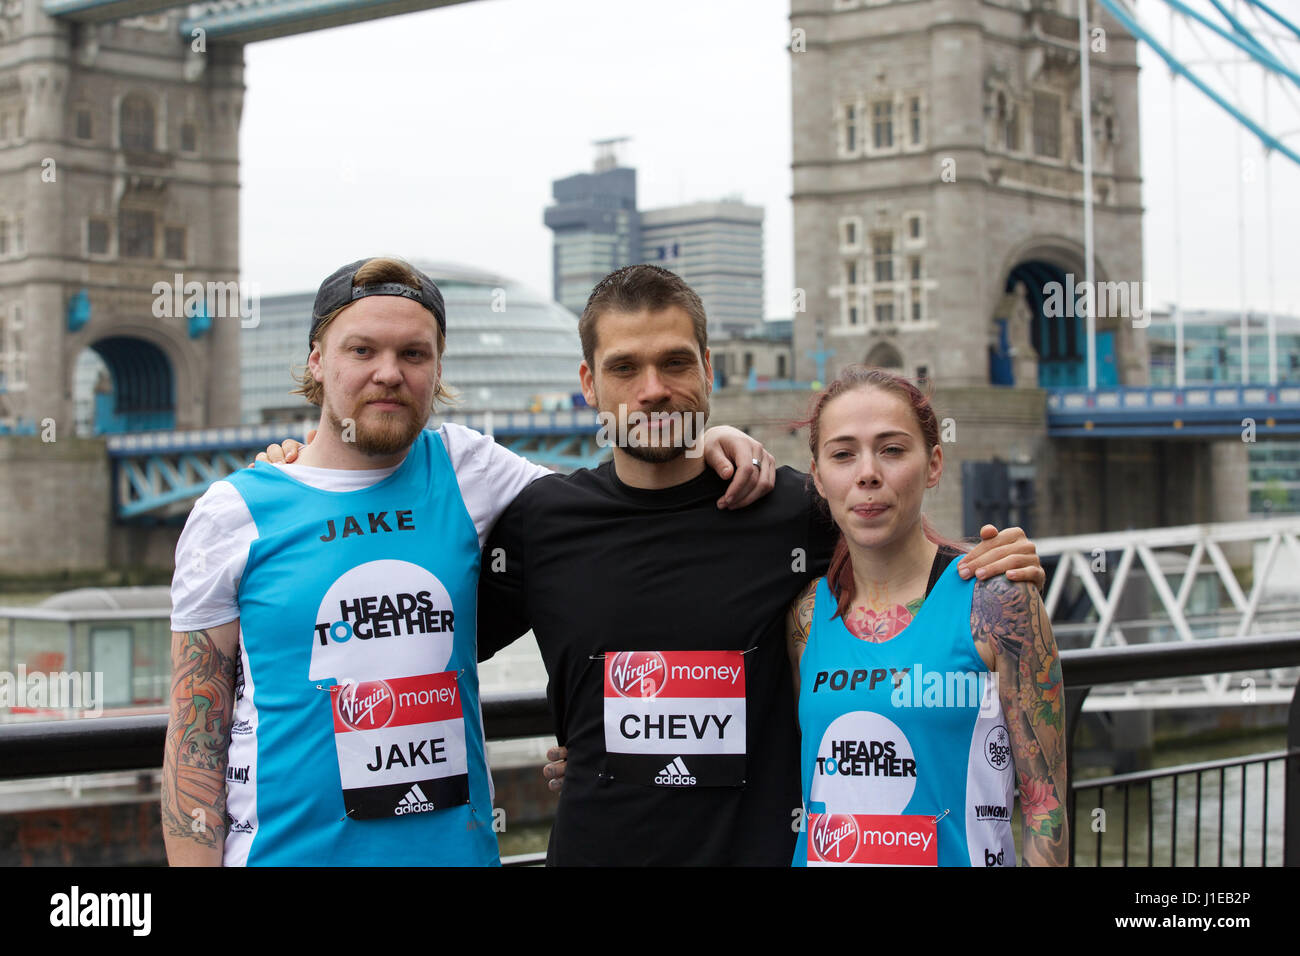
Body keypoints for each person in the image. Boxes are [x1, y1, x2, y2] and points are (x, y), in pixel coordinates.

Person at [168, 257, 775, 867]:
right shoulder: (233, 515)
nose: (389, 373)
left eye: (414, 353)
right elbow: (195, 741)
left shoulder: (468, 470)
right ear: (317, 362)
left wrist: (705, 444)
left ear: (437, 368)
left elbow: (618, 514)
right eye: (361, 351)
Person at [475, 264, 1047, 865]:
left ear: (708, 370)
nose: (652, 389)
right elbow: (438, 646)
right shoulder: (543, 520)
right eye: (624, 368)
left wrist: (993, 559)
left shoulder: (791, 509)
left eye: (674, 363)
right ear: (589, 383)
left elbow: (908, 553)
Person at [786, 366, 1068, 867]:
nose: (867, 472)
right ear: (818, 476)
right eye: (843, 454)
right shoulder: (806, 616)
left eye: (892, 450)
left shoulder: (997, 601)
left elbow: (1046, 813)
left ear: (934, 464)